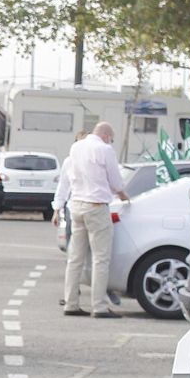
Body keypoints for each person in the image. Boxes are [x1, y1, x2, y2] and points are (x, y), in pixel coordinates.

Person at [61, 121, 130, 318]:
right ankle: (98, 306)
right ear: (107, 136)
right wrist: (123, 194)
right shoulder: (105, 149)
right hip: (96, 206)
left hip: (77, 205)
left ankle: (71, 303)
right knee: (101, 258)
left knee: (75, 258)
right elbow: (116, 181)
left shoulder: (76, 147)